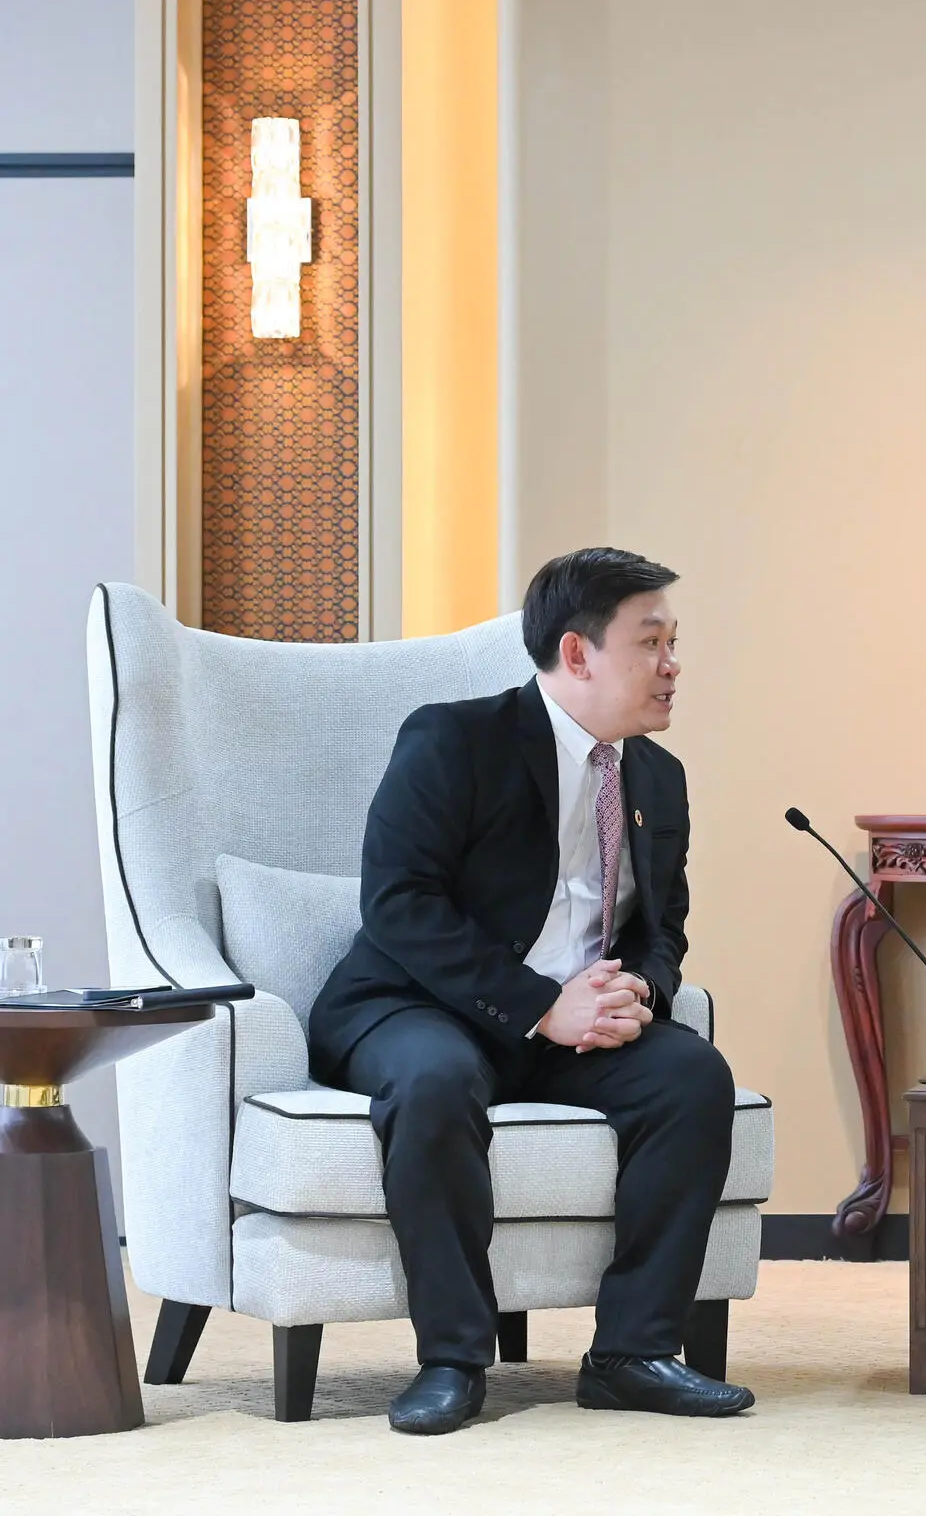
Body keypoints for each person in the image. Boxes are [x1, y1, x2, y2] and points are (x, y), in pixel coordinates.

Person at [309, 548, 752, 1435]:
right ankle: (452, 1359)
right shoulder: (456, 739)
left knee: (693, 1077)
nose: (673, 665)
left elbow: (663, 926)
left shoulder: (657, 777)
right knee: (434, 1083)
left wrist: (637, 993)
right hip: (424, 1005)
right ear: (577, 653)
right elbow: (399, 903)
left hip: (573, 1028)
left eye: (674, 642)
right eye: (651, 643)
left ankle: (632, 1354)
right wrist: (541, 1006)